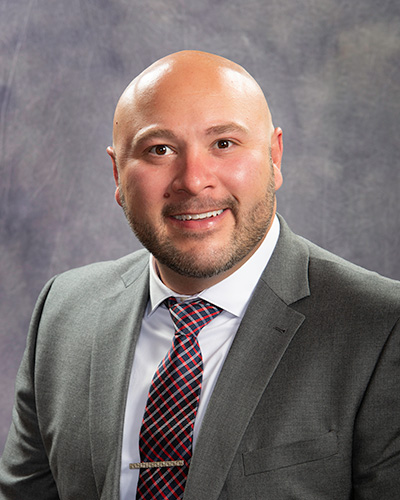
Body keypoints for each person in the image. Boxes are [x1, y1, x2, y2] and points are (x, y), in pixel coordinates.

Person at [0, 50, 399, 500]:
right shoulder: (63, 310)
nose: (193, 180)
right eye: (160, 150)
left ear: (274, 156)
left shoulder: (382, 328)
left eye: (223, 143)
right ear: (117, 172)